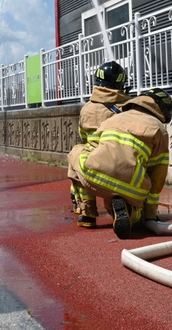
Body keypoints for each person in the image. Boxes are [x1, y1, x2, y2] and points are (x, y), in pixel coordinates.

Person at [67, 88, 172, 239]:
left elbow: (91, 146)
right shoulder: (158, 129)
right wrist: (149, 215)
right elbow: (157, 176)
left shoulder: (111, 120)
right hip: (132, 186)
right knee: (134, 211)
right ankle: (132, 214)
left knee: (76, 152)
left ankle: (87, 213)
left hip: (96, 177)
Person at [72, 61, 131, 228]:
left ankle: (87, 213)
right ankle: (119, 206)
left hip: (92, 166)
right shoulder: (127, 106)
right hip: (120, 165)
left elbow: (83, 136)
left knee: (77, 159)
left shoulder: (86, 109)